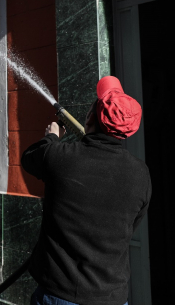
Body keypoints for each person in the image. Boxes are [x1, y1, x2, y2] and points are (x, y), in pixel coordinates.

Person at [21, 76, 151, 305]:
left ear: (90, 116)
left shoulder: (61, 157)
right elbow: (131, 225)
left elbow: (29, 159)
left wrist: (51, 137)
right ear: (126, 132)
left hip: (58, 296)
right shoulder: (141, 175)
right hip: (113, 298)